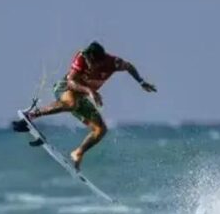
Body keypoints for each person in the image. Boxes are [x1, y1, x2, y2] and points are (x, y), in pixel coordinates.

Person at [13, 41, 157, 170]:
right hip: (65, 88)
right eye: (87, 59)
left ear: (100, 61)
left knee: (100, 129)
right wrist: (90, 91)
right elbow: (71, 82)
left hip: (81, 97)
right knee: (70, 103)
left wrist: (141, 82)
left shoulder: (113, 62)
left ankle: (78, 152)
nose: (87, 63)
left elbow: (129, 66)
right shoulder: (81, 57)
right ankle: (31, 114)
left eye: (90, 61)